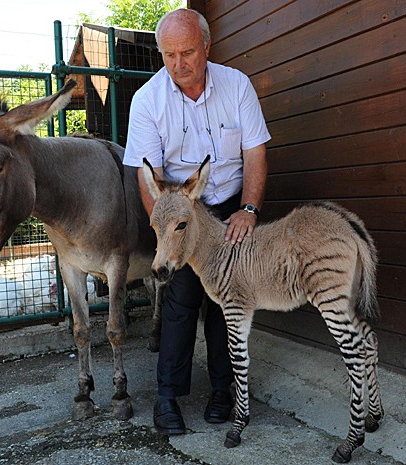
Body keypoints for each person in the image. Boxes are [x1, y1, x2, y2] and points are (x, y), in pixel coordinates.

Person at [123, 8, 271, 435]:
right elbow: (144, 172)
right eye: (168, 54)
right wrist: (164, 228)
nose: (177, 64)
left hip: (229, 206)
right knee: (181, 300)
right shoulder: (148, 99)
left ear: (207, 46)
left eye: (187, 52)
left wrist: (249, 209)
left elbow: (255, 153)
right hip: (179, 213)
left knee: (229, 300)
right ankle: (167, 398)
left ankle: (225, 391)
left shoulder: (237, 86)